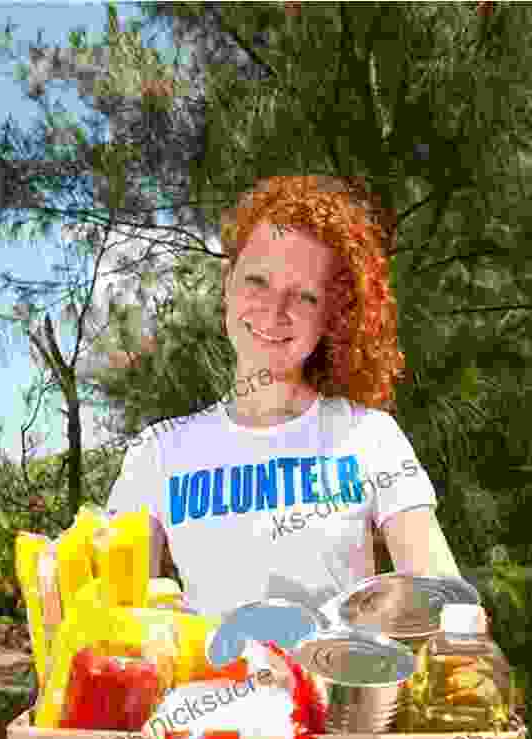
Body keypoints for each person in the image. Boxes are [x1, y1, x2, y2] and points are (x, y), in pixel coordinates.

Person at [107, 174, 460, 619]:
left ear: (329, 315)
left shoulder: (371, 437)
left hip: (339, 689)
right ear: (227, 283)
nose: (275, 311)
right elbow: (113, 615)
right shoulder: (157, 452)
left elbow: (445, 597)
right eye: (257, 281)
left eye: (305, 296)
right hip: (209, 689)